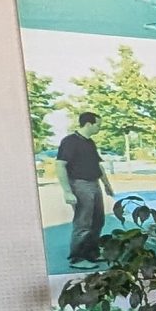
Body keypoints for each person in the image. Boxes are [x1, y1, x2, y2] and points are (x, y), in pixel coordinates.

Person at [56, 111, 116, 268]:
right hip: (80, 185)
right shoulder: (70, 142)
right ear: (88, 124)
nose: (99, 128)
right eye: (98, 125)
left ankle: (92, 253)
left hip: (94, 184)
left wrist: (107, 185)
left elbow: (98, 166)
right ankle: (77, 258)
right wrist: (67, 191)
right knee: (83, 223)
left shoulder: (90, 143)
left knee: (98, 221)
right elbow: (60, 165)